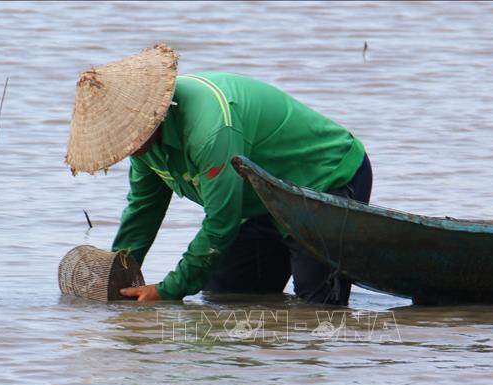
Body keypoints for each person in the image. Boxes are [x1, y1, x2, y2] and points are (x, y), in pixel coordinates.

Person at [66, 44, 372, 305]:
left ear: (149, 117)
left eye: (129, 139)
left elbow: (221, 223)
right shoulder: (142, 143)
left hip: (323, 180)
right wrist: (120, 273)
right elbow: (143, 210)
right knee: (226, 298)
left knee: (316, 310)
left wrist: (169, 289)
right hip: (259, 199)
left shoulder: (210, 132)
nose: (128, 148)